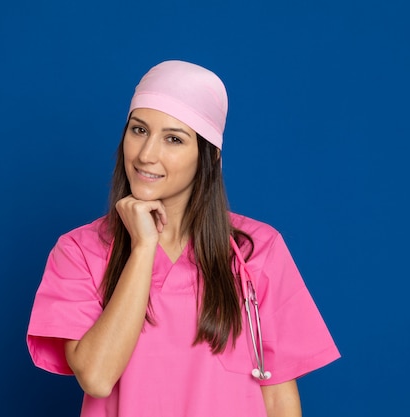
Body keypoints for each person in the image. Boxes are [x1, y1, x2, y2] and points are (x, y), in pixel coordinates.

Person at [27, 60, 340, 417]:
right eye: (138, 130)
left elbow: (279, 398)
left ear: (208, 156)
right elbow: (97, 378)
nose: (146, 155)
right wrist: (143, 248)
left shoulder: (256, 251)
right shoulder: (80, 251)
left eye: (173, 139)